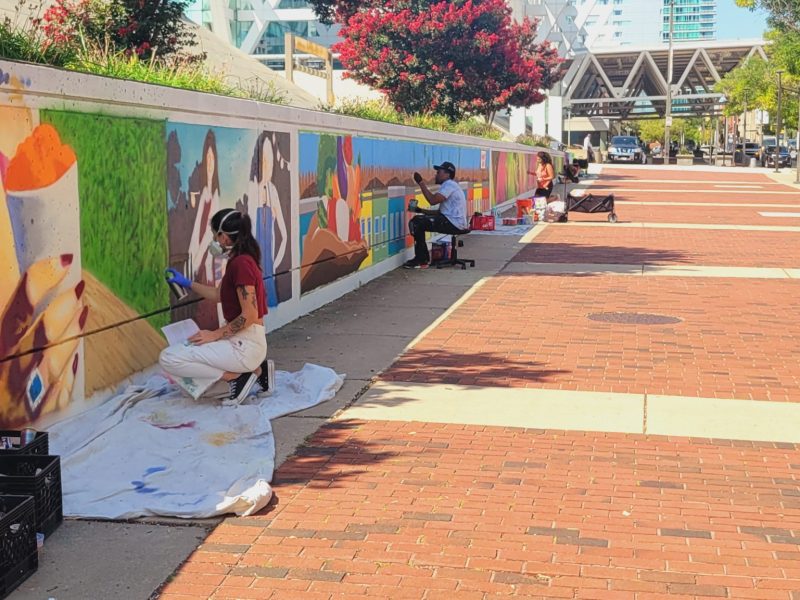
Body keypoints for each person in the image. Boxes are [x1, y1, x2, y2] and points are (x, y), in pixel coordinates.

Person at [160, 209, 274, 406]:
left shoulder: (241, 264)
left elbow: (248, 315)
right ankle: (257, 369)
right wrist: (186, 283)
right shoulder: (240, 260)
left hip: (244, 346)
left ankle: (237, 377)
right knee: (188, 349)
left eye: (215, 235)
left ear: (225, 236)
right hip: (244, 343)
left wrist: (214, 335)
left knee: (169, 358)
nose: (214, 240)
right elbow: (218, 295)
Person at [405, 161, 468, 269]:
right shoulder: (451, 186)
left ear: (447, 174)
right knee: (419, 220)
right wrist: (420, 210)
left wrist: (421, 183)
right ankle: (422, 258)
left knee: (416, 222)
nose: (436, 174)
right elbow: (439, 213)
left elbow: (432, 201)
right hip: (453, 222)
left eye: (439, 172)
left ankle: (421, 259)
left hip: (453, 223)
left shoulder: (448, 185)